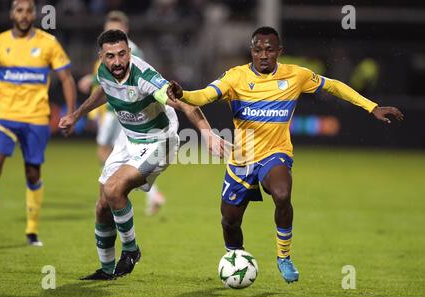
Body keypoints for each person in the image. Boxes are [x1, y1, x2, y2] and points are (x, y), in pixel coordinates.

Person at [167, 26, 404, 283]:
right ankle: (236, 259)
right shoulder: (235, 77)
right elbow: (204, 95)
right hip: (242, 159)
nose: (264, 55)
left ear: (280, 51)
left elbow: (333, 86)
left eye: (269, 50)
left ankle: (284, 257)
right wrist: (183, 95)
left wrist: (371, 107)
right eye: (258, 50)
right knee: (230, 220)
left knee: (281, 193)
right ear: (252, 51)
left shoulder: (296, 76)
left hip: (275, 153)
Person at [59, 29, 225, 280]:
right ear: (101, 57)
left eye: (122, 54)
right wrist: (76, 115)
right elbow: (103, 90)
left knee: (114, 189)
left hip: (159, 140)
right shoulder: (104, 72)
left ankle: (131, 250)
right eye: (111, 56)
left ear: (129, 52)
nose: (117, 62)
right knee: (103, 205)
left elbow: (183, 102)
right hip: (128, 139)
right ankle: (106, 270)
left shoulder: (145, 77)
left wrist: (207, 132)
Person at [0, 0, 76, 246]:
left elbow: (67, 79)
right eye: (19, 10)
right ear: (12, 13)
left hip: (36, 118)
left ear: (34, 14)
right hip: (3, 116)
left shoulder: (48, 44)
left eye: (29, 10)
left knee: (32, 172)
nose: (24, 15)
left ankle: (32, 230)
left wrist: (71, 113)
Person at [78, 11, 165, 216]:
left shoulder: (129, 51)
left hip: (117, 111)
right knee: (122, 152)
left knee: (106, 149)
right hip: (122, 110)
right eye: (107, 28)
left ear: (125, 29)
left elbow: (127, 77)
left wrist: (90, 81)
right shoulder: (122, 48)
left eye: (114, 28)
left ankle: (111, 189)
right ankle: (142, 192)